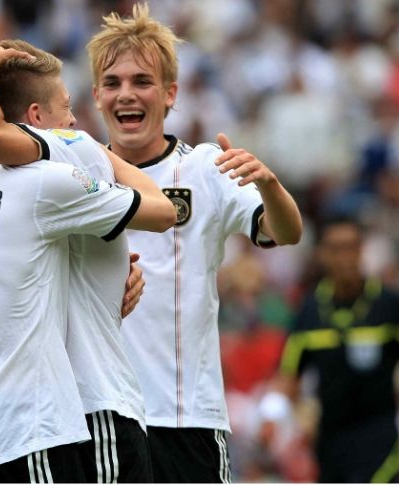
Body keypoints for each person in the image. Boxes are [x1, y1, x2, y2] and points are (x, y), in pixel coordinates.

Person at [0, 45, 175, 482]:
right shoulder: (57, 169)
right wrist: (95, 151)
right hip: (59, 415)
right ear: (36, 117)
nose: (75, 122)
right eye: (67, 108)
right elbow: (164, 212)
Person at [85, 3, 303, 482]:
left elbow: (286, 232)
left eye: (142, 81)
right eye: (113, 83)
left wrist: (269, 184)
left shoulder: (204, 168)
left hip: (186, 420)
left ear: (170, 93)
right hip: (100, 421)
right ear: (97, 95)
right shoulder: (75, 178)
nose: (127, 93)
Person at [272, 215, 399, 482]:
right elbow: (288, 375)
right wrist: (275, 414)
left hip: (380, 439)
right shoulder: (309, 311)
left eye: (351, 247)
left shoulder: (391, 306)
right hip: (330, 443)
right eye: (335, 249)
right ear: (322, 254)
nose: (345, 257)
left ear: (362, 250)